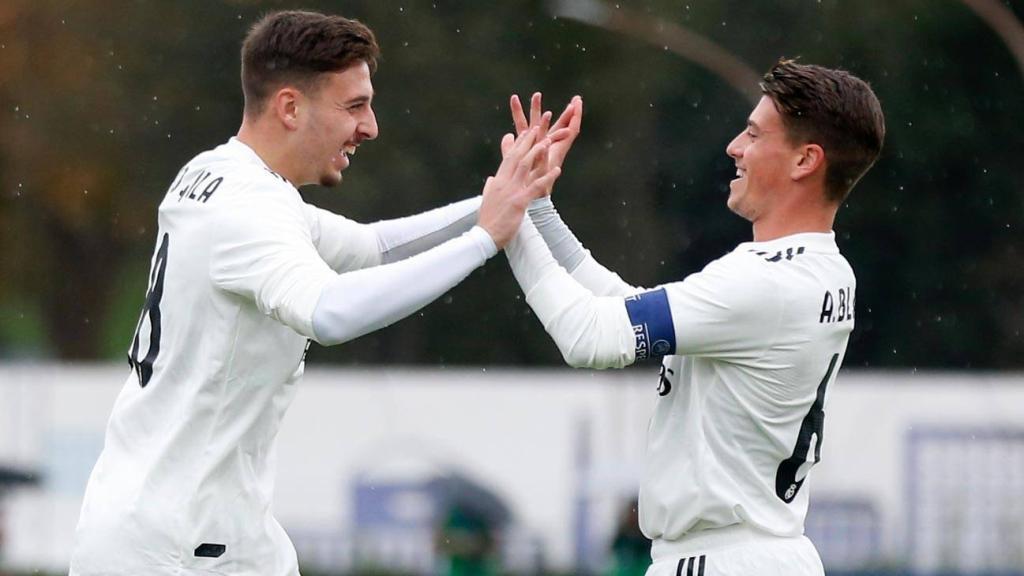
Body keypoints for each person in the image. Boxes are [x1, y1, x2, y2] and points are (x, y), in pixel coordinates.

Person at [69, 10, 563, 576]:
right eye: (354, 106)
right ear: (290, 107)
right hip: (177, 547)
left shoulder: (218, 175)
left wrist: (507, 194)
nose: (371, 126)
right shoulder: (247, 208)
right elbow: (329, 312)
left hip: (193, 530)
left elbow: (373, 247)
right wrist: (483, 239)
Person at [504, 60, 885, 575]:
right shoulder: (819, 268)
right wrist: (537, 210)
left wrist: (509, 221)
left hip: (722, 560)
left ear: (805, 161)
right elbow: (627, 307)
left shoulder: (764, 282)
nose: (735, 146)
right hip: (760, 554)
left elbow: (590, 336)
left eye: (753, 133)